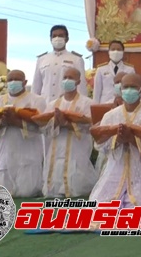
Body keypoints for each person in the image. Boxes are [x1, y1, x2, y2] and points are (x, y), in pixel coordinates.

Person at [89, 74, 141, 208]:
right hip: (116, 169)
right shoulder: (110, 115)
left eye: (133, 87)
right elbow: (100, 145)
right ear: (120, 89)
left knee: (140, 204)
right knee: (100, 205)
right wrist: (117, 140)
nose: (129, 90)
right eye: (126, 87)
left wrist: (132, 140)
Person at [0, 70, 47, 197]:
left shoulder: (37, 101)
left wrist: (17, 122)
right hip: (4, 154)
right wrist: (2, 124)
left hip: (28, 154)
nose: (13, 82)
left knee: (28, 193)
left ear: (25, 82)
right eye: (10, 80)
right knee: (3, 194)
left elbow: (43, 127)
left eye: (17, 79)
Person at [42, 68, 97, 197]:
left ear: (78, 81)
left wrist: (68, 124)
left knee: (75, 174)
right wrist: (56, 123)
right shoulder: (53, 104)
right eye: (65, 77)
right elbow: (44, 127)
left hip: (77, 147)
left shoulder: (88, 103)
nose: (67, 80)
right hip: (57, 145)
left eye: (71, 78)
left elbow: (91, 126)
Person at [33, 25, 87, 103]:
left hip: (67, 104)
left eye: (61, 36)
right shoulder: (42, 59)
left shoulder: (76, 59)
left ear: (67, 39)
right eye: (54, 36)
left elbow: (81, 86)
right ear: (50, 39)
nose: (57, 38)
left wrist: (81, 104)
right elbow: (36, 86)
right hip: (45, 103)